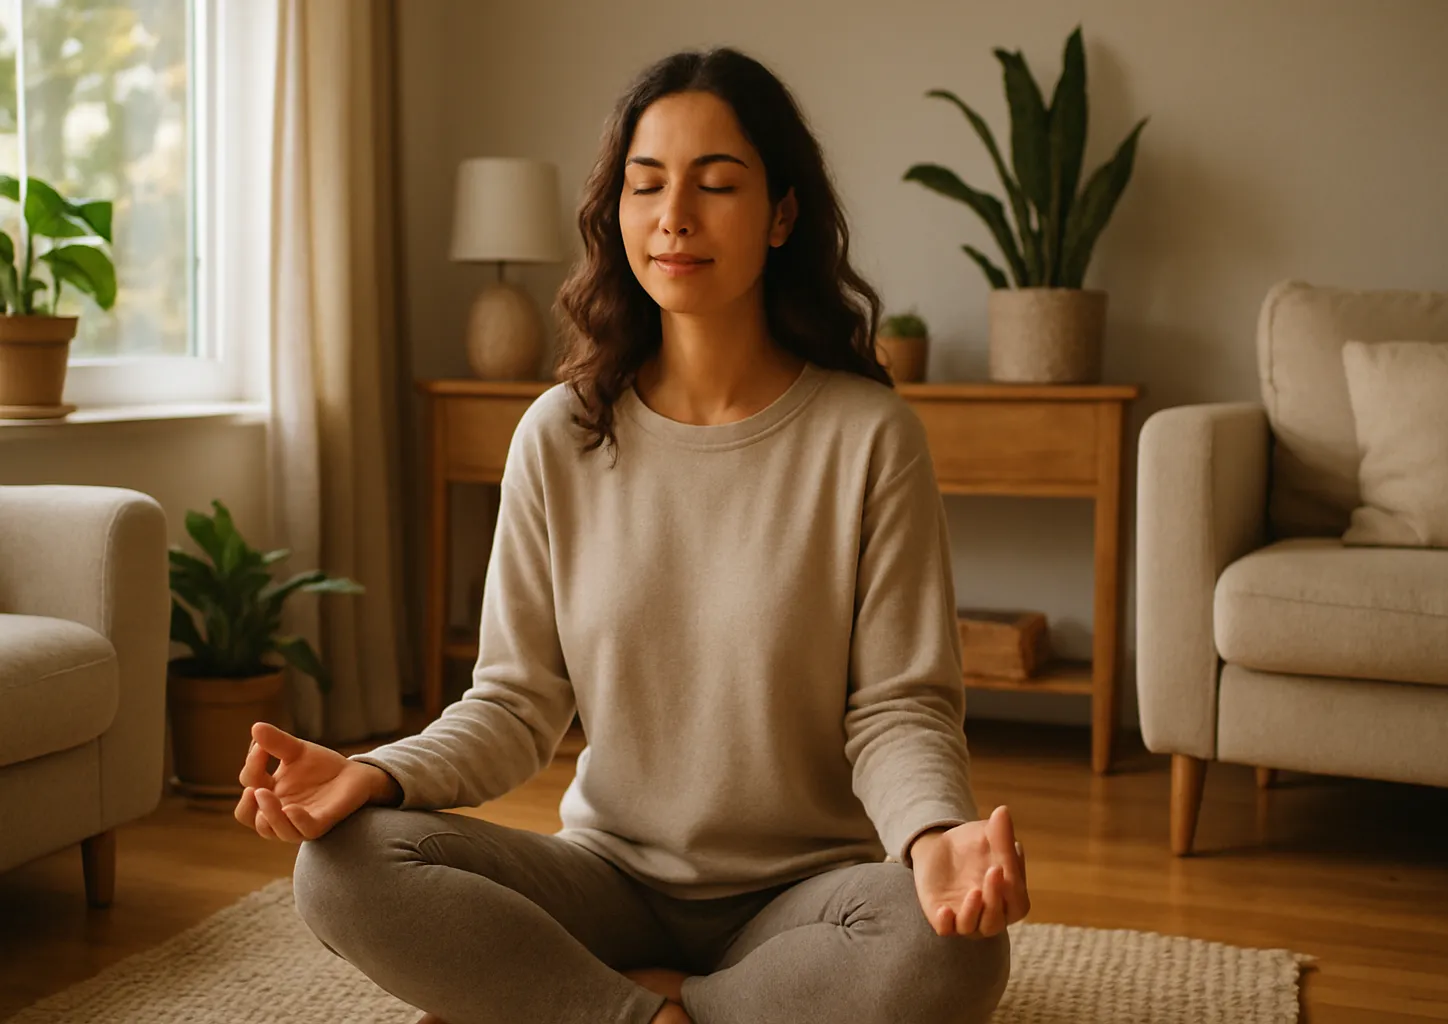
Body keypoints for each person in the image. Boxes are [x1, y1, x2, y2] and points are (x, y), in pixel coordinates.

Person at [234, 46, 1029, 1024]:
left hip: (806, 899)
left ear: (782, 215)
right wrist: (378, 769)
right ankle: (653, 1012)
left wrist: (934, 833)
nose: (675, 216)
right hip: (604, 882)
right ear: (616, 213)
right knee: (343, 864)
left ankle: (623, 1005)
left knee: (953, 951)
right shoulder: (559, 434)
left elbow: (898, 708)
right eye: (646, 184)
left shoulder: (868, 436)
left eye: (717, 184)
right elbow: (516, 704)